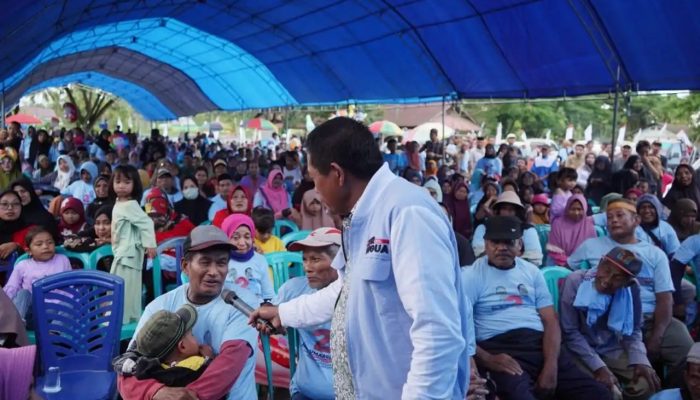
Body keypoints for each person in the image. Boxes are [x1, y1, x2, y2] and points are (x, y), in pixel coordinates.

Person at [249, 117, 470, 399]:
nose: (315, 191)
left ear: (337, 174)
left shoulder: (407, 213)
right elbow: (347, 293)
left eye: (315, 179)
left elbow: (437, 331)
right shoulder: (362, 217)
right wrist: (284, 313)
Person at [464, 216, 611, 400]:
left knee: (599, 394)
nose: (502, 247)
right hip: (499, 347)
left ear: (519, 245)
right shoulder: (470, 276)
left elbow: (550, 321)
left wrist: (551, 365)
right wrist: (488, 359)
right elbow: (462, 330)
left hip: (538, 344)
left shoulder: (531, 272)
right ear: (485, 244)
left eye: (508, 242)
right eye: (495, 242)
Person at [116, 225, 258, 400]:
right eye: (205, 262)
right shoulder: (159, 306)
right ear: (185, 265)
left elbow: (231, 361)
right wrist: (155, 392)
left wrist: (189, 396)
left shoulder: (242, 303)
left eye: (221, 263)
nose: (214, 272)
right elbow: (127, 366)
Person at [568, 199, 693, 387]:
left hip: (650, 318)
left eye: (620, 216)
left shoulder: (654, 254)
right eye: (609, 217)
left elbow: (665, 299)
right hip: (607, 322)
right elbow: (566, 273)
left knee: (686, 350)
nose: (614, 221)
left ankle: (669, 391)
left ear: (636, 220)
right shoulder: (591, 246)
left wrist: (656, 337)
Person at [560, 247, 660, 400]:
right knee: (603, 391)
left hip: (611, 348)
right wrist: (599, 367)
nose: (607, 281)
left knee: (646, 385)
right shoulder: (576, 281)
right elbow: (570, 332)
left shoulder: (631, 289)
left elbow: (633, 331)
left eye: (618, 278)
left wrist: (641, 360)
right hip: (579, 352)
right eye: (606, 270)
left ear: (627, 282)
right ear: (600, 263)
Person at [276, 227, 340, 400]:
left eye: (315, 259)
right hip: (303, 393)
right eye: (304, 259)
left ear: (340, 261)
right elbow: (272, 319)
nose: (307, 267)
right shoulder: (293, 289)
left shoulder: (358, 298)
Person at [110, 165, 157, 325]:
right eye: (118, 181)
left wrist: (150, 245)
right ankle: (122, 317)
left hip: (128, 254)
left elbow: (146, 223)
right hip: (122, 252)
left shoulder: (130, 205)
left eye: (126, 182)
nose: (121, 185)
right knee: (121, 286)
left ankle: (125, 319)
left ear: (134, 184)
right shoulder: (120, 202)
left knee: (127, 288)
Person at [124, 305, 215, 386]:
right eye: (192, 335)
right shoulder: (197, 364)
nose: (196, 339)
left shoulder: (151, 369)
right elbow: (214, 378)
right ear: (183, 346)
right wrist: (209, 359)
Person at [5, 226, 71, 323]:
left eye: (50, 242)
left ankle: (55, 334)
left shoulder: (62, 260)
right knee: (23, 293)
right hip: (33, 314)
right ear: (29, 251)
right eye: (39, 244)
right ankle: (16, 326)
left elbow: (71, 284)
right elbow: (12, 288)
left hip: (57, 311)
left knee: (70, 304)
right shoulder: (23, 265)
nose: (45, 246)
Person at [472, 191, 543, 266]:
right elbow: (478, 256)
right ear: (497, 211)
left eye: (511, 209)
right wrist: (514, 254)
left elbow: (534, 260)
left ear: (517, 212)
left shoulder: (528, 230)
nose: (507, 213)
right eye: (504, 208)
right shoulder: (483, 228)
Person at [221, 213, 274, 303]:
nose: (242, 243)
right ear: (226, 238)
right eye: (236, 237)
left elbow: (269, 295)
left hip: (257, 311)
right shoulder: (221, 261)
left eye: (247, 237)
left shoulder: (260, 260)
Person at [547, 194, 596, 266]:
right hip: (558, 263)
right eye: (573, 209)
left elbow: (592, 251)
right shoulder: (557, 224)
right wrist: (567, 262)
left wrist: (576, 264)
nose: (576, 213)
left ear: (585, 209)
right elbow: (554, 249)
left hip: (581, 265)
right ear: (567, 209)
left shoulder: (589, 225)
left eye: (579, 209)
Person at [0, 190, 33, 260]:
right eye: (4, 204)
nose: (10, 208)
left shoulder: (32, 230)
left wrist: (17, 247)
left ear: (21, 206)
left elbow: (40, 255)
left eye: (15, 204)